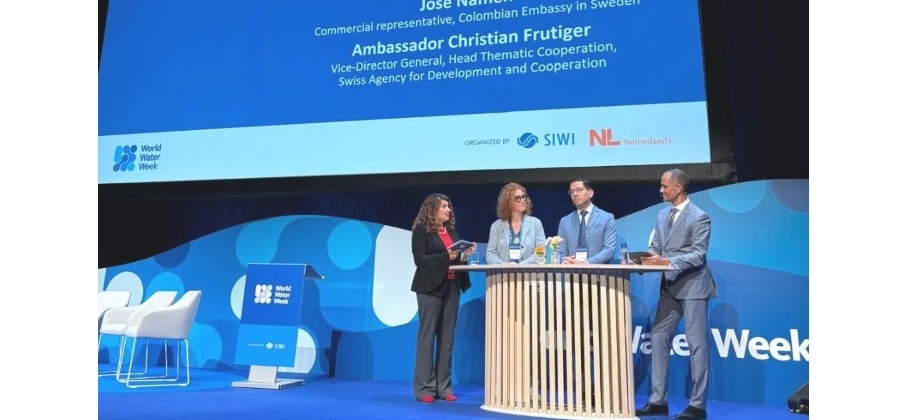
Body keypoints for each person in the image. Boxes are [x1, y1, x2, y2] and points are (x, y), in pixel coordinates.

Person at [635, 169, 718, 420]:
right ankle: (658, 401)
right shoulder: (662, 215)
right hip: (670, 288)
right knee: (659, 338)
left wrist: (667, 261)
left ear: (679, 187)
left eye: (664, 186)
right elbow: (656, 246)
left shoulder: (700, 217)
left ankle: (698, 406)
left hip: (693, 287)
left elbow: (698, 254)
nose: (661, 190)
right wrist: (647, 258)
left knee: (696, 345)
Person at [410, 193, 475, 404]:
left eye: (449, 206)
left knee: (447, 339)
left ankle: (443, 387)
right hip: (430, 288)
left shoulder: (453, 232)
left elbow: (457, 261)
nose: (448, 210)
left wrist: (464, 256)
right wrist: (446, 256)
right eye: (444, 206)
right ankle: (424, 388)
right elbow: (420, 260)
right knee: (427, 338)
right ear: (432, 209)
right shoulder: (422, 231)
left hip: (451, 286)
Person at [556, 178, 618, 264]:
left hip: (599, 273)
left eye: (579, 190)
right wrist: (566, 261)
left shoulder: (606, 218)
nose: (575, 194)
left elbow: (609, 250)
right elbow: (560, 252)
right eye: (571, 191)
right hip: (572, 273)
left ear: (590, 193)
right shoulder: (565, 221)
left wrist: (586, 263)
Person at [486, 182, 547, 264]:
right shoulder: (496, 226)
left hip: (529, 274)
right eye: (518, 198)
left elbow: (541, 252)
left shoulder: (535, 223)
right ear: (508, 202)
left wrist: (520, 266)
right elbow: (490, 254)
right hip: (503, 275)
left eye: (524, 197)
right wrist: (506, 267)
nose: (522, 200)